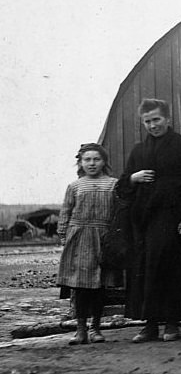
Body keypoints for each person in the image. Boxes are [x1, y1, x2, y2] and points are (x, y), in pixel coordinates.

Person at [117, 98, 181, 343]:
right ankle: (149, 324)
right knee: (145, 271)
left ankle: (172, 323)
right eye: (147, 121)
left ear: (168, 119)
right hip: (144, 221)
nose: (152, 125)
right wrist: (134, 178)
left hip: (173, 219)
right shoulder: (138, 151)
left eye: (156, 119)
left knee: (172, 271)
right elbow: (122, 187)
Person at [56, 143, 123, 345]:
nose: (92, 163)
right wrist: (63, 235)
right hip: (78, 238)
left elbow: (119, 213)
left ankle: (95, 328)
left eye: (96, 159)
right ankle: (80, 329)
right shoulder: (75, 186)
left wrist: (116, 237)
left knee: (98, 286)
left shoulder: (113, 184)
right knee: (80, 286)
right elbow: (65, 212)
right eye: (87, 160)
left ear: (104, 162)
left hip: (103, 238)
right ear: (81, 162)